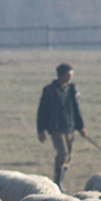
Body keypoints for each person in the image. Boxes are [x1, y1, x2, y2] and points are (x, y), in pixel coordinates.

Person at [37, 63, 86, 192]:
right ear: (61, 75)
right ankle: (58, 182)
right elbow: (42, 111)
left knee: (68, 157)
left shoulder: (71, 90)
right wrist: (40, 131)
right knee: (62, 153)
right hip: (55, 128)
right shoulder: (49, 90)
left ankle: (61, 180)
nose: (70, 77)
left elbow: (77, 109)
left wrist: (81, 127)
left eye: (71, 75)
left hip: (69, 127)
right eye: (68, 75)